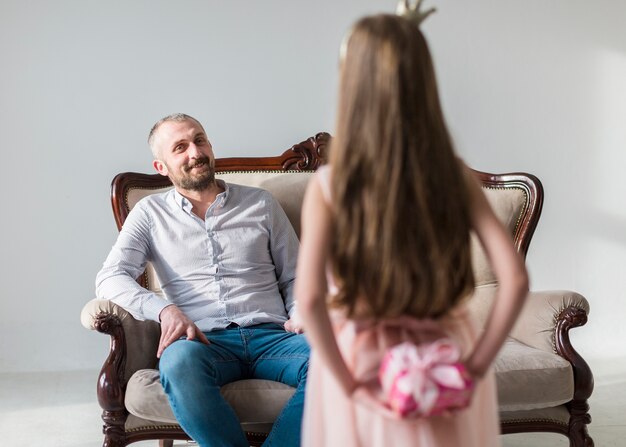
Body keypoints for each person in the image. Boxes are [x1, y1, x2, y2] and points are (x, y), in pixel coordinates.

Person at [294, 11, 529, 447]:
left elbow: (308, 300)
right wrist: (474, 369)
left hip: (361, 359)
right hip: (443, 356)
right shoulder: (455, 177)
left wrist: (349, 386)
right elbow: (515, 279)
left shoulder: (331, 185)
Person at [95, 113, 309, 447]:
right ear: (161, 166)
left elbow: (295, 274)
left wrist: (300, 311)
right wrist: (164, 310)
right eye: (180, 147)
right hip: (203, 341)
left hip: (274, 338)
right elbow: (110, 277)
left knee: (338, 359)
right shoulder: (150, 214)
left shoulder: (261, 204)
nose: (195, 152)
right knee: (177, 363)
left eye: (200, 140)